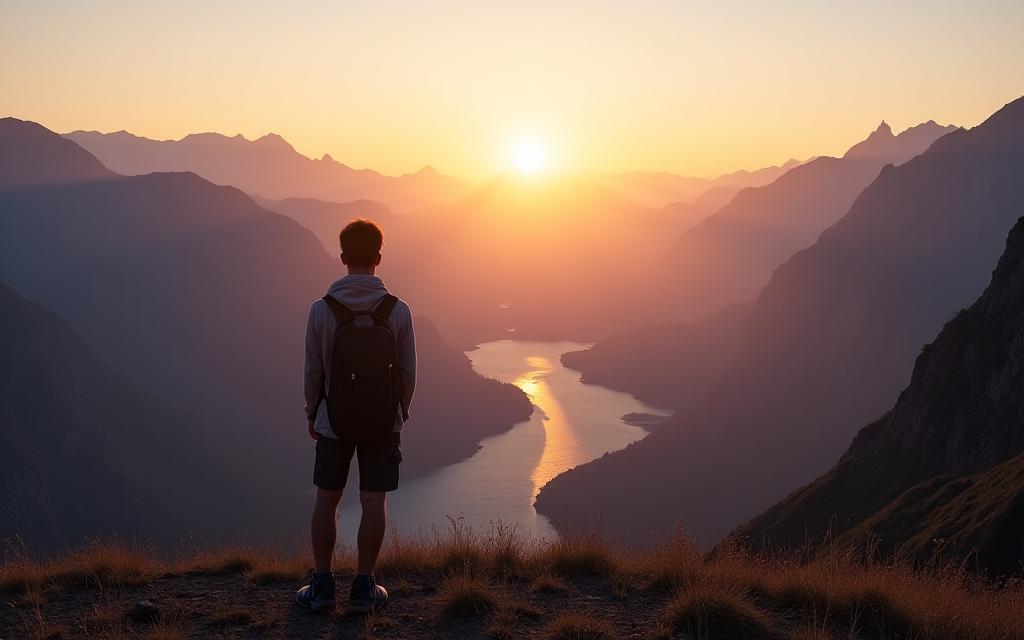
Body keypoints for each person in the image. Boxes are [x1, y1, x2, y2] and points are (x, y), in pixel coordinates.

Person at [295, 219, 416, 614]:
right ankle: (364, 588)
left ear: (342, 257)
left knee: (327, 498)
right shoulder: (398, 311)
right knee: (373, 500)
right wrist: (401, 411)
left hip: (333, 419)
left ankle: (322, 587)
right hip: (383, 421)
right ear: (379, 258)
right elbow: (408, 372)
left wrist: (313, 411)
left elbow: (313, 371)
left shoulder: (320, 310)